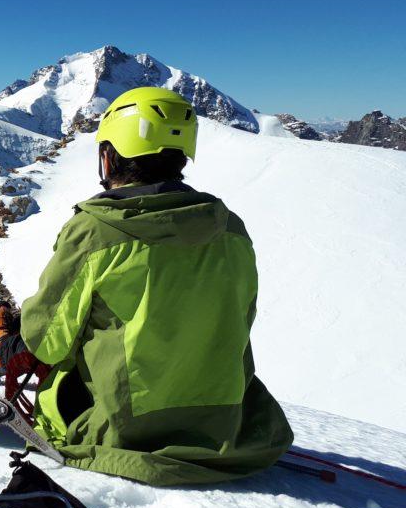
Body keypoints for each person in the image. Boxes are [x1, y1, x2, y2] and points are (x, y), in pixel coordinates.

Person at [17, 87, 293, 486]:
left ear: (109, 156)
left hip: (121, 430)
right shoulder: (230, 228)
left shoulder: (95, 232)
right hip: (223, 427)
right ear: (182, 155)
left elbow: (46, 341)